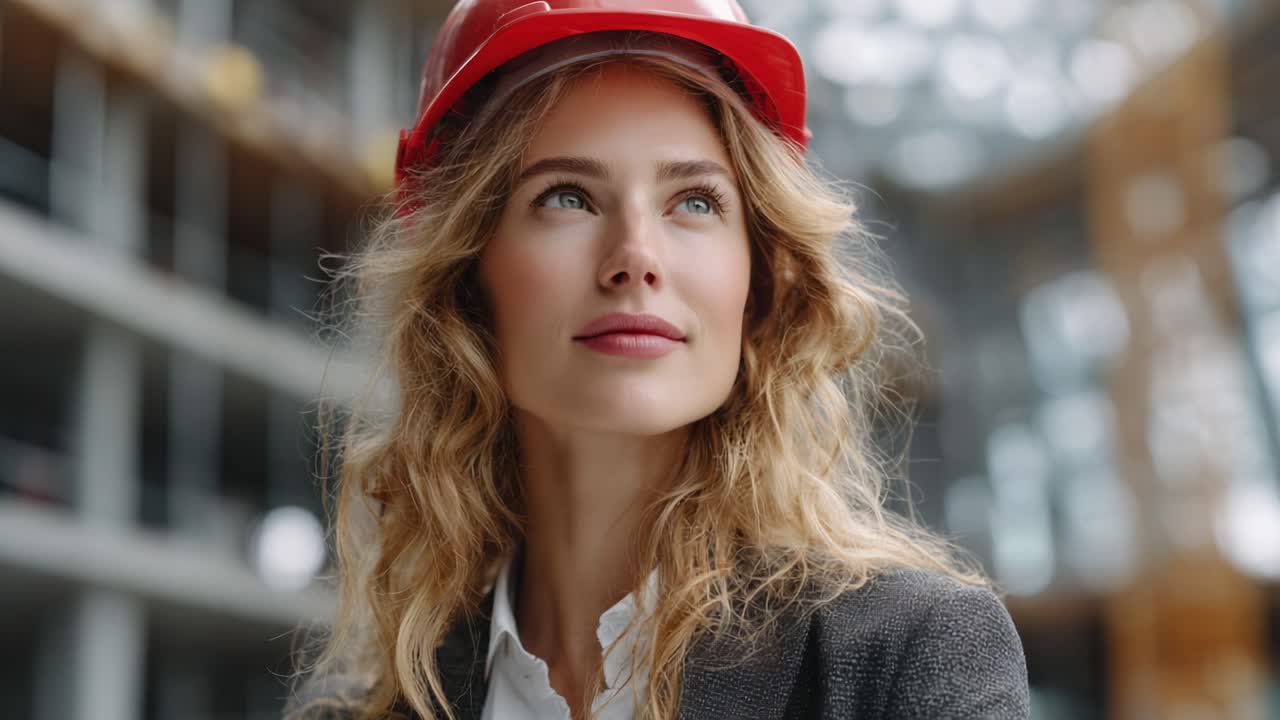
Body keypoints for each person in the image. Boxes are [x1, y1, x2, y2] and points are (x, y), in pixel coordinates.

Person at [287, 1, 1030, 718]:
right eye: (567, 197)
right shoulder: (359, 713)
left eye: (696, 203)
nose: (636, 259)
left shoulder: (908, 657)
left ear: (759, 282)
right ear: (468, 282)